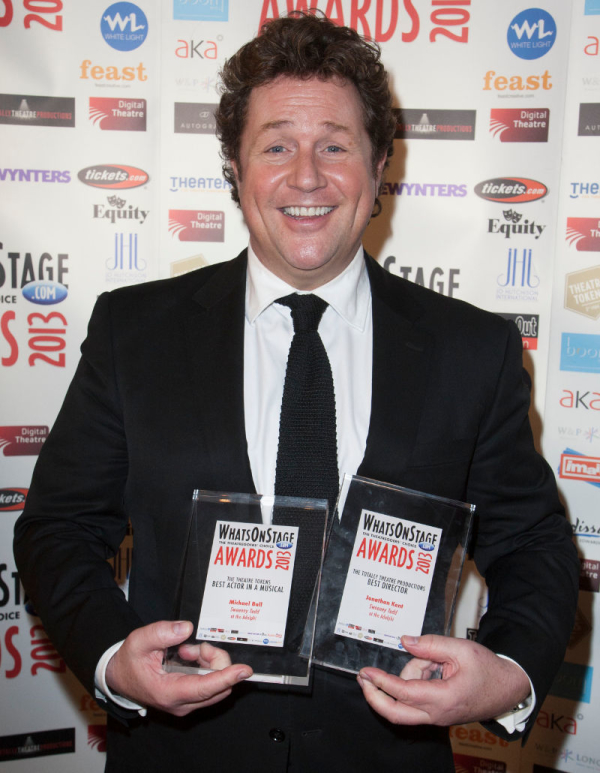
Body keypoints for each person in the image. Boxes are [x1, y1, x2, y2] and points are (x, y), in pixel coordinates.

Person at [14, 12, 578, 773]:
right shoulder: (133, 332)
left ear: (380, 168)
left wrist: (507, 672)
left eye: (335, 146)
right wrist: (114, 658)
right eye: (276, 145)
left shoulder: (472, 351)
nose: (306, 176)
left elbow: (534, 542)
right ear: (235, 170)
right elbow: (59, 527)